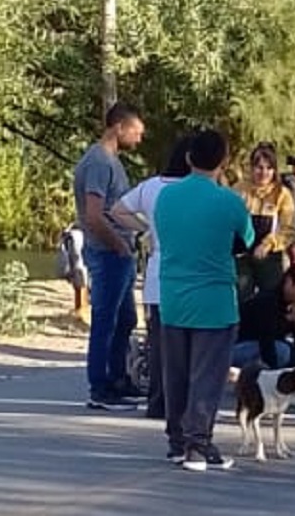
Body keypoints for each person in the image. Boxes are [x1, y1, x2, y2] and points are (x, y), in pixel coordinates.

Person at [155, 129, 254, 472]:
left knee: (176, 373)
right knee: (206, 376)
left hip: (172, 296)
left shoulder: (165, 197)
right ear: (223, 162)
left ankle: (176, 442)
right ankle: (198, 443)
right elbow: (248, 238)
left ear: (188, 158)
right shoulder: (228, 201)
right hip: (214, 299)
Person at [111, 136, 194, 420]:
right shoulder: (194, 191)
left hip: (158, 272)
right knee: (188, 346)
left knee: (159, 344)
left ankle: (157, 400)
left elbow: (117, 210)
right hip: (188, 273)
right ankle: (181, 403)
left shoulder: (151, 187)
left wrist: (144, 228)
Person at [73, 102, 146, 412]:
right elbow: (93, 214)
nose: (139, 139)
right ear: (119, 127)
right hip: (107, 252)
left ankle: (119, 378)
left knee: (126, 317)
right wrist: (117, 244)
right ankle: (99, 386)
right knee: (105, 318)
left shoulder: (112, 161)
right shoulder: (99, 163)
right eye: (137, 132)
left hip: (121, 251)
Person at [236, 143, 295, 301]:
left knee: (270, 301)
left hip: (270, 257)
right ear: (252, 168)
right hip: (242, 256)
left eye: (268, 168)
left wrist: (268, 244)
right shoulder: (239, 190)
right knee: (242, 299)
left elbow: (287, 228)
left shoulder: (282, 193)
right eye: (259, 167)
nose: (264, 173)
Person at [232, 264, 295, 369]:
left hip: (259, 345)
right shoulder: (268, 302)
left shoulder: (292, 305)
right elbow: (266, 340)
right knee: (283, 351)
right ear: (289, 282)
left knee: (293, 351)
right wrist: (271, 374)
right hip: (239, 347)